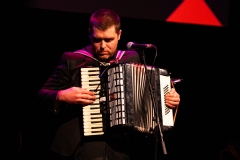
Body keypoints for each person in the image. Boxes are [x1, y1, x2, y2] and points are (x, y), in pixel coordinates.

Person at [36, 8, 180, 160]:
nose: (103, 46)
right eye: (97, 40)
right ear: (89, 34)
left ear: (119, 35)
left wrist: (169, 98)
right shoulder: (72, 60)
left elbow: (146, 94)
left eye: (109, 40)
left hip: (122, 147)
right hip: (84, 146)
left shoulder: (131, 58)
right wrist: (61, 95)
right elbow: (41, 96)